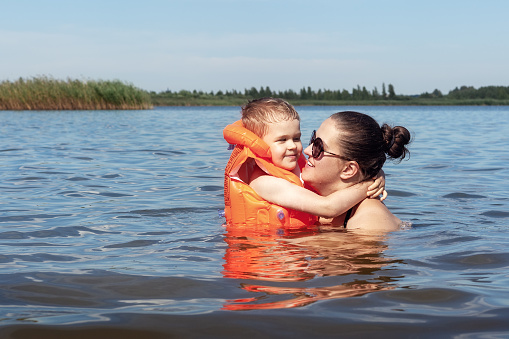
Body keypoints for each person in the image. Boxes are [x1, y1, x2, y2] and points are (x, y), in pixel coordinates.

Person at [223, 98, 384, 229]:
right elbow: (329, 207)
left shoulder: (297, 169)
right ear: (260, 145)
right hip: (268, 263)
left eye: (296, 138)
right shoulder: (264, 182)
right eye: (282, 140)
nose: (293, 146)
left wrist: (377, 173)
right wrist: (368, 184)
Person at [298, 111, 411, 231]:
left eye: (318, 147)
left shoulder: (369, 222)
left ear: (348, 169)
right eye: (313, 140)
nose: (307, 150)